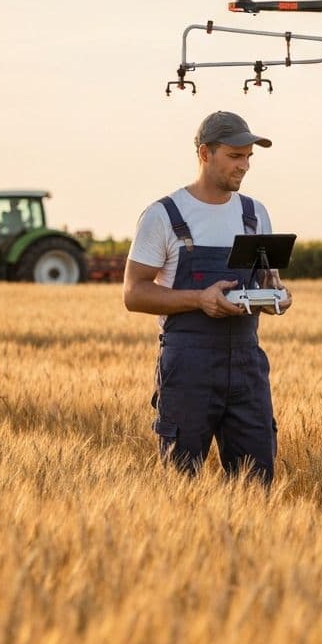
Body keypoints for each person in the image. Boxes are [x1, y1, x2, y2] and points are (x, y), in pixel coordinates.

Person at [123, 111, 290, 484]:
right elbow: (134, 293)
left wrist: (276, 295)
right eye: (235, 156)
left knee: (256, 482)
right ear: (204, 154)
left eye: (248, 157)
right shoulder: (164, 215)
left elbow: (268, 278)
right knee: (181, 482)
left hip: (248, 364)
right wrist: (201, 299)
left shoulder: (255, 214)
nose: (244, 165)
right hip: (188, 367)